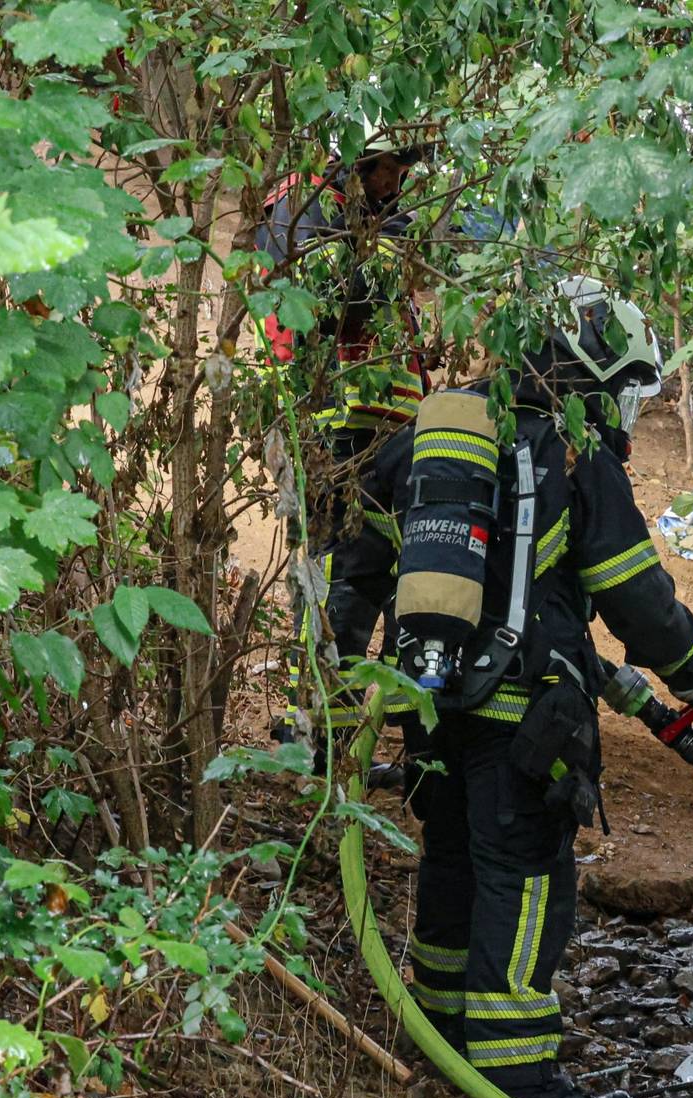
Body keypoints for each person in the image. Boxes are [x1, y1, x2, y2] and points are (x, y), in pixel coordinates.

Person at [365, 275, 693, 1098]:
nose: (624, 410)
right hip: (525, 719)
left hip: (429, 705)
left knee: (452, 860)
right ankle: (519, 1086)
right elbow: (631, 591)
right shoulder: (571, 453)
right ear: (589, 371)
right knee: (525, 882)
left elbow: (366, 551)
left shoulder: (434, 437)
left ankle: (444, 1037)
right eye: (624, 389)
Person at [257, 127, 433, 769]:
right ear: (350, 159)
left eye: (402, 168)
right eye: (386, 166)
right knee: (334, 573)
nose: (396, 180)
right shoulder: (304, 205)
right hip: (332, 427)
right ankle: (309, 731)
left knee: (373, 575)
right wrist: (384, 253)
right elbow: (328, 301)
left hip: (380, 430)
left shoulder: (373, 218)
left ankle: (336, 733)